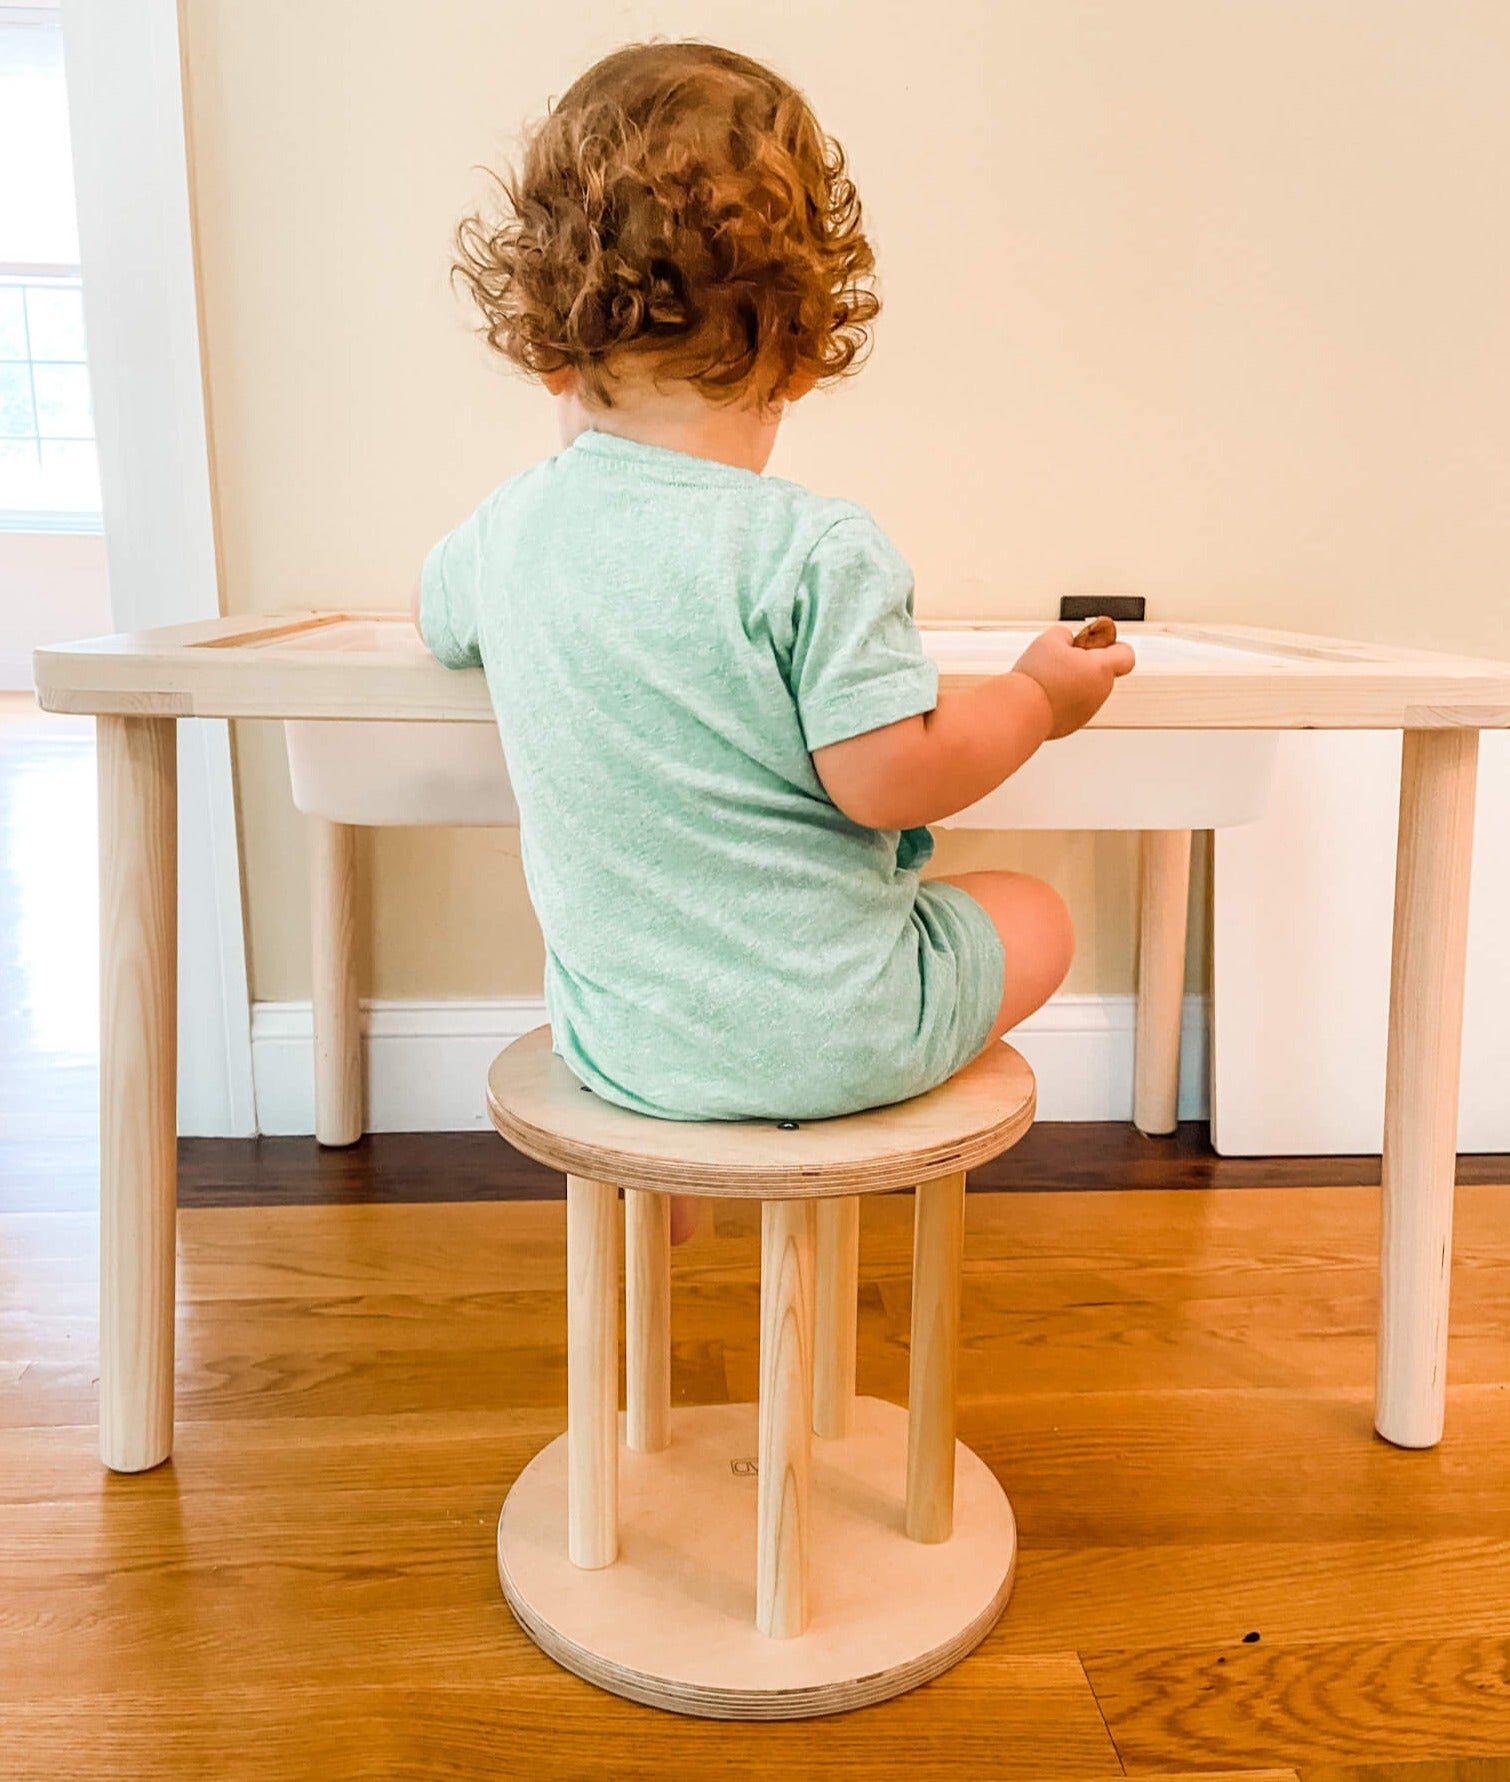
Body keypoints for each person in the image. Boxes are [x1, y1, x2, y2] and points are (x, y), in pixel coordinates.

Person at [417, 41, 1133, 1241]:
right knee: (1030, 912)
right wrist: (1034, 696)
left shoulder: (507, 534)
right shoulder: (815, 549)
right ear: (801, 354)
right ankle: (805, 1108)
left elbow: (440, 622)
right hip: (839, 1029)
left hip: (628, 1049)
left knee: (654, 964)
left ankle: (688, 1156)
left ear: (546, 345)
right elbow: (889, 777)